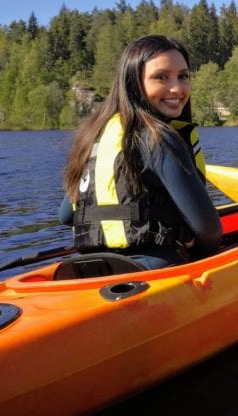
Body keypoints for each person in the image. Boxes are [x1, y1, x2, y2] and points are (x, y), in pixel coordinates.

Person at [58, 35, 223, 269]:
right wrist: (199, 253)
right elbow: (210, 231)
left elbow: (66, 215)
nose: (177, 88)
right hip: (157, 270)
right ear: (134, 83)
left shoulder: (93, 136)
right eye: (161, 77)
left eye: (183, 76)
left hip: (91, 269)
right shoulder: (159, 137)